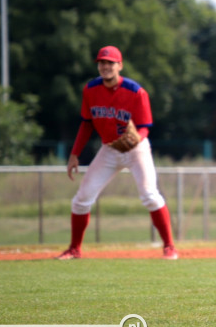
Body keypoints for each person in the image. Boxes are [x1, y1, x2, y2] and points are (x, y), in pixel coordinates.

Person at [56, 46, 178, 260]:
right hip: (109, 149)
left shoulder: (136, 91)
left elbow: (144, 127)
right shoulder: (90, 89)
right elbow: (86, 124)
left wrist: (136, 139)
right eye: (102, 62)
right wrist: (75, 154)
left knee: (149, 195)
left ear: (120, 65)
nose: (105, 66)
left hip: (136, 148)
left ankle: (169, 246)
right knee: (81, 199)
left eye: (110, 63)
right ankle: (75, 249)